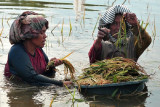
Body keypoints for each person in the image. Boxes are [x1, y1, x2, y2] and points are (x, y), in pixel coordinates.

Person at [4, 11, 72, 86]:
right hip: (17, 89)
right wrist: (60, 84)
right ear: (31, 34)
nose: (45, 36)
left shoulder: (38, 50)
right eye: (42, 32)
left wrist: (51, 66)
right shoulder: (17, 51)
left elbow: (46, 75)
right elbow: (32, 78)